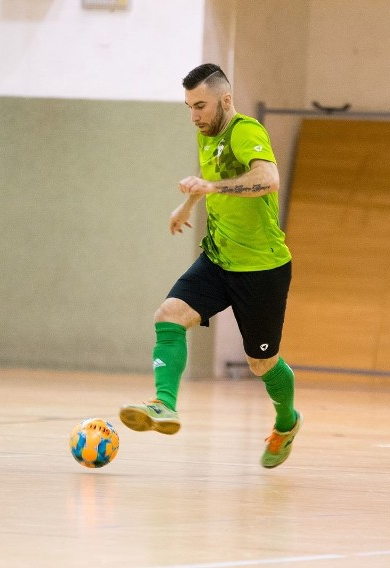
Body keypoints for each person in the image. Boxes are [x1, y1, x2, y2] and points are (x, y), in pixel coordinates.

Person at [118, 63, 300, 468]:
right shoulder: (208, 134)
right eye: (188, 107)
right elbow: (210, 173)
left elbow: (268, 179)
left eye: (200, 105)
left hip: (261, 269)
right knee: (169, 315)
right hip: (218, 257)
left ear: (225, 100)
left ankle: (287, 423)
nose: (194, 115)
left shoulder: (245, 130)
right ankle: (164, 404)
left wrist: (212, 188)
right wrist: (187, 204)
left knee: (261, 363)